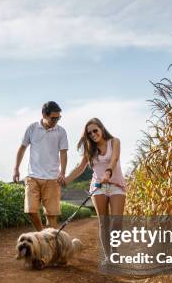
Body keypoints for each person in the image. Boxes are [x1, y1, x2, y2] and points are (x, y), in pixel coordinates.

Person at [64, 118, 126, 263]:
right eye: (89, 133)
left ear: (101, 129)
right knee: (103, 222)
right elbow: (80, 168)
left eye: (95, 130)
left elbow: (115, 158)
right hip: (98, 187)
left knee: (116, 221)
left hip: (116, 184)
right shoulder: (89, 150)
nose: (92, 134)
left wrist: (108, 172)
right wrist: (66, 180)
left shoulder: (114, 142)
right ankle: (108, 256)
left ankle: (115, 251)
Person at [13, 101, 68, 231]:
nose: (56, 120)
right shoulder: (32, 128)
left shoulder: (61, 132)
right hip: (33, 176)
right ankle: (42, 234)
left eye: (58, 118)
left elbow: (63, 153)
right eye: (53, 118)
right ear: (44, 114)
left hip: (52, 178)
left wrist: (63, 172)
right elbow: (22, 148)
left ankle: (52, 244)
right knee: (30, 210)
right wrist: (16, 168)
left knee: (51, 216)